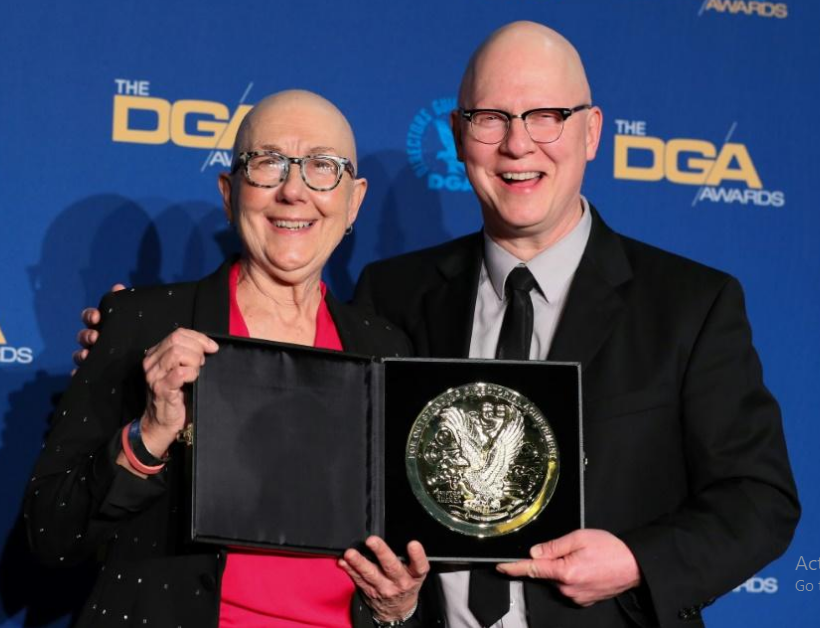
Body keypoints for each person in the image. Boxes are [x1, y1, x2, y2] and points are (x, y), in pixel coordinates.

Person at [73, 21, 800, 628]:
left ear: (591, 133)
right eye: (491, 118)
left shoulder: (691, 303)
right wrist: (129, 348)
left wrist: (637, 561)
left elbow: (759, 501)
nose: (518, 144)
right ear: (459, 136)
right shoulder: (394, 296)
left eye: (546, 116)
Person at [26, 89, 429, 628]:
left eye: (322, 167)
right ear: (229, 191)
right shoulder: (141, 323)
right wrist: (148, 435)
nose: (294, 190)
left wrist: (398, 608)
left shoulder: (388, 351)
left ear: (354, 200)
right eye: (267, 164)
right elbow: (49, 536)